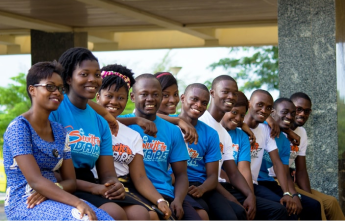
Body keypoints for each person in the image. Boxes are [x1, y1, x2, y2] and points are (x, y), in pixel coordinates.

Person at [3, 61, 113, 220]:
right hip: (25, 202)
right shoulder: (19, 128)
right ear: (32, 90)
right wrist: (78, 203)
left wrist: (53, 189)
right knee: (84, 217)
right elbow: (35, 180)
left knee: (106, 219)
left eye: (61, 89)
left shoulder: (61, 132)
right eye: (50, 86)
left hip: (54, 196)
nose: (57, 92)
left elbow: (71, 181)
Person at [50, 47, 142, 221]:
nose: (92, 80)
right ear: (68, 78)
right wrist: (93, 188)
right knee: (113, 214)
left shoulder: (100, 122)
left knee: (132, 214)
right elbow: (46, 167)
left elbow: (107, 174)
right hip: (57, 183)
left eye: (97, 74)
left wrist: (114, 185)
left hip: (87, 182)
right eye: (84, 74)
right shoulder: (55, 110)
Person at [120, 74, 205, 221]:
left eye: (156, 94)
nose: (150, 99)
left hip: (168, 193)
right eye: (144, 94)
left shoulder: (172, 130)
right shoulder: (122, 124)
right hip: (137, 193)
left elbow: (182, 175)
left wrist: (178, 200)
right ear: (133, 97)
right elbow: (102, 118)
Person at [94, 64, 172, 221]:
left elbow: (140, 177)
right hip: (95, 185)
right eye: (109, 96)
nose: (114, 102)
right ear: (97, 97)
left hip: (124, 187)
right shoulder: (89, 127)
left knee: (150, 215)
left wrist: (160, 200)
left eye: (120, 98)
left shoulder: (132, 135)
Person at [221, 91, 288, 221]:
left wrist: (250, 196)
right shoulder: (213, 130)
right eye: (234, 112)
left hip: (243, 185)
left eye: (242, 115)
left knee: (279, 209)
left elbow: (244, 170)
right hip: (218, 185)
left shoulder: (242, 136)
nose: (238, 118)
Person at [199, 75, 255, 221]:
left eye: (235, 93)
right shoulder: (199, 121)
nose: (231, 97)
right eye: (225, 92)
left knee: (242, 212)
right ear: (212, 93)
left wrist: (250, 195)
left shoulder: (225, 134)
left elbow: (234, 173)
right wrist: (232, 199)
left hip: (213, 186)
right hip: (199, 185)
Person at [257, 97, 321, 221]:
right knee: (288, 208)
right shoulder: (259, 127)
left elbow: (286, 174)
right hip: (254, 182)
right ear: (273, 112)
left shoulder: (285, 141)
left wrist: (294, 195)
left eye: (292, 114)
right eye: (285, 112)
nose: (290, 117)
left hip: (268, 181)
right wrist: (268, 118)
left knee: (313, 205)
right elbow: (250, 111)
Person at [287, 92, 345, 221]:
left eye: (307, 111)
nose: (302, 114)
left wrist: (308, 195)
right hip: (276, 181)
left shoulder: (302, 132)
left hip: (291, 182)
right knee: (316, 204)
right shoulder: (277, 128)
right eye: (299, 109)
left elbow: (301, 170)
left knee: (331, 202)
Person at [243, 89, 299, 220]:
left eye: (268, 107)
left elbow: (277, 162)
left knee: (289, 208)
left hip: (254, 183)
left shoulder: (266, 130)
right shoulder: (235, 127)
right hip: (237, 184)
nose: (263, 110)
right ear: (249, 103)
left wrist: (286, 193)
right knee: (277, 210)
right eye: (260, 105)